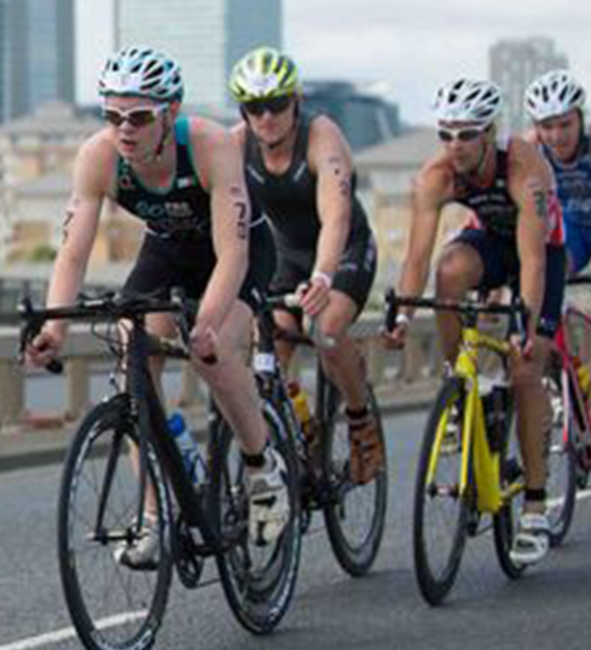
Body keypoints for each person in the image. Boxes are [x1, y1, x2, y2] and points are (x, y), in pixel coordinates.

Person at [25, 47, 289, 569]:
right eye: (113, 115)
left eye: (139, 117)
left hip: (236, 252)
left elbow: (233, 253)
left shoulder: (211, 145)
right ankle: (153, 517)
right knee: (133, 357)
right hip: (168, 248)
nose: (125, 129)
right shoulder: (98, 156)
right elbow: (73, 250)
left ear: (170, 112)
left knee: (214, 352)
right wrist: (54, 325)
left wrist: (207, 324)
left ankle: (263, 468)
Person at [387, 77, 562, 565]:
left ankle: (534, 505)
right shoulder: (437, 175)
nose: (454, 146)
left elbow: (532, 259)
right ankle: (461, 381)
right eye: (446, 134)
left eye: (466, 135)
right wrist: (401, 311)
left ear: (490, 133)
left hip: (540, 252)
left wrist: (522, 324)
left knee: (525, 366)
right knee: (448, 273)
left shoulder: (524, 167)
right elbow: (418, 256)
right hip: (488, 243)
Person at [228, 47, 384, 484]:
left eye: (277, 104)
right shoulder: (236, 144)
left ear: (295, 100)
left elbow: (336, 215)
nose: (267, 118)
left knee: (328, 330)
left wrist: (323, 275)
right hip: (285, 256)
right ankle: (300, 426)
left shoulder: (322, 136)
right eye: (254, 108)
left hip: (344, 249)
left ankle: (360, 425)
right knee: (268, 350)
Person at [524, 70, 591, 276]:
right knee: (548, 270)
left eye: (565, 125)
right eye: (547, 127)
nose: (557, 136)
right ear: (536, 127)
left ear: (580, 119)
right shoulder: (528, 150)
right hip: (571, 229)